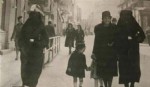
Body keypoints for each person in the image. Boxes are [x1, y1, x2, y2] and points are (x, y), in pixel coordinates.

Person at [18, 11, 49, 87]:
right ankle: (26, 83)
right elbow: (20, 39)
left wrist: (36, 42)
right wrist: (23, 47)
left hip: (36, 53)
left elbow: (45, 40)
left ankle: (31, 84)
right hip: (27, 53)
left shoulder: (40, 27)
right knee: (27, 70)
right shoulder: (27, 26)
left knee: (33, 71)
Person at [116, 10, 145, 87]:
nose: (126, 18)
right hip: (123, 51)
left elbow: (142, 35)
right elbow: (116, 37)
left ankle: (132, 84)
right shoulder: (120, 24)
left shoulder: (134, 23)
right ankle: (126, 85)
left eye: (127, 16)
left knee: (133, 68)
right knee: (124, 68)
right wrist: (125, 38)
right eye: (124, 16)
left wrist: (135, 39)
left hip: (133, 51)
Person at [92, 11, 118, 87]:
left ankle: (109, 85)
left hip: (112, 54)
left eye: (108, 18)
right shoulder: (98, 28)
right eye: (105, 18)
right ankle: (106, 85)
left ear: (110, 19)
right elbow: (96, 41)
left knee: (111, 72)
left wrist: (113, 43)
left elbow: (118, 39)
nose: (107, 20)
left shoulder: (114, 27)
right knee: (103, 73)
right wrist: (94, 53)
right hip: (101, 54)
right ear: (102, 19)